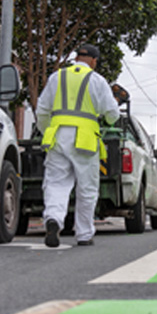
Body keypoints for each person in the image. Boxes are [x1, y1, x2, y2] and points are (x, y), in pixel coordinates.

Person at [37, 43, 119, 247]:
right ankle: (83, 234)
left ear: (76, 58)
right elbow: (112, 115)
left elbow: (42, 110)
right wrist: (105, 118)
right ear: (94, 61)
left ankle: (54, 219)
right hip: (85, 139)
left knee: (56, 183)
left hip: (57, 136)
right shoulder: (97, 80)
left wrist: (48, 129)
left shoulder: (57, 77)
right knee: (87, 187)